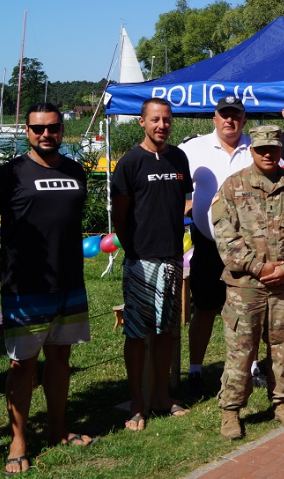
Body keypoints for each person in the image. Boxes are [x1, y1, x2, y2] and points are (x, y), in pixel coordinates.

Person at [0, 103, 94, 475]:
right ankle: (18, 442)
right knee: (23, 365)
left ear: (62, 130)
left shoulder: (75, 170)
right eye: (38, 129)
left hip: (69, 281)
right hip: (25, 286)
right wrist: (0, 259)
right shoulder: (10, 174)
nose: (46, 135)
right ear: (27, 132)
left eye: (52, 128)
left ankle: (57, 429)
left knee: (60, 359)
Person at [211, 125, 284, 439]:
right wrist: (256, 266)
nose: (268, 154)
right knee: (241, 350)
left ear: (281, 149)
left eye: (273, 148)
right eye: (262, 149)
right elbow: (224, 235)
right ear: (252, 150)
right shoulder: (233, 186)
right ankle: (231, 410)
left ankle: (282, 402)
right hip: (245, 288)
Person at [111, 98, 193, 431]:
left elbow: (184, 200)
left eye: (167, 120)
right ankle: (137, 403)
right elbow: (120, 216)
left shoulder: (178, 158)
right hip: (140, 261)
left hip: (172, 259)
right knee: (136, 334)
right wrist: (135, 249)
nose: (162, 125)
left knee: (165, 332)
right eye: (155, 120)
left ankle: (162, 396)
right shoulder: (130, 163)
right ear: (142, 123)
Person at [180, 96, 253, 401]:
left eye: (235, 115)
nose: (229, 121)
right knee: (205, 308)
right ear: (214, 118)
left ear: (243, 119)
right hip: (208, 245)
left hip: (247, 247)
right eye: (224, 115)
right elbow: (177, 188)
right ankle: (196, 368)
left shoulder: (255, 148)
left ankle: (251, 368)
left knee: (248, 309)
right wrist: (186, 206)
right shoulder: (192, 148)